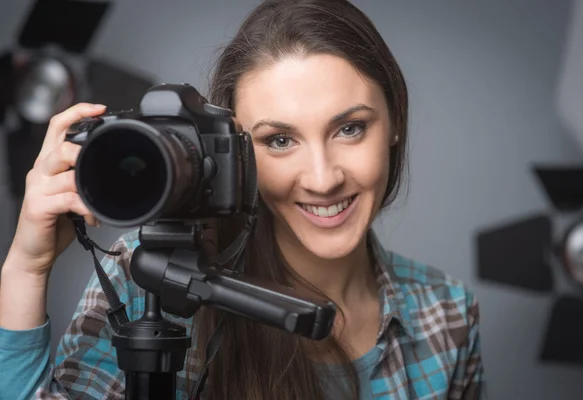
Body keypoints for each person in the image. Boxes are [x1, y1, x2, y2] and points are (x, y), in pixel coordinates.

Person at [0, 0, 485, 399]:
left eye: (350, 128)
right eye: (279, 140)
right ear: (236, 156)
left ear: (395, 120)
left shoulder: (447, 315)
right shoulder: (151, 281)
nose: (322, 178)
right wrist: (26, 267)